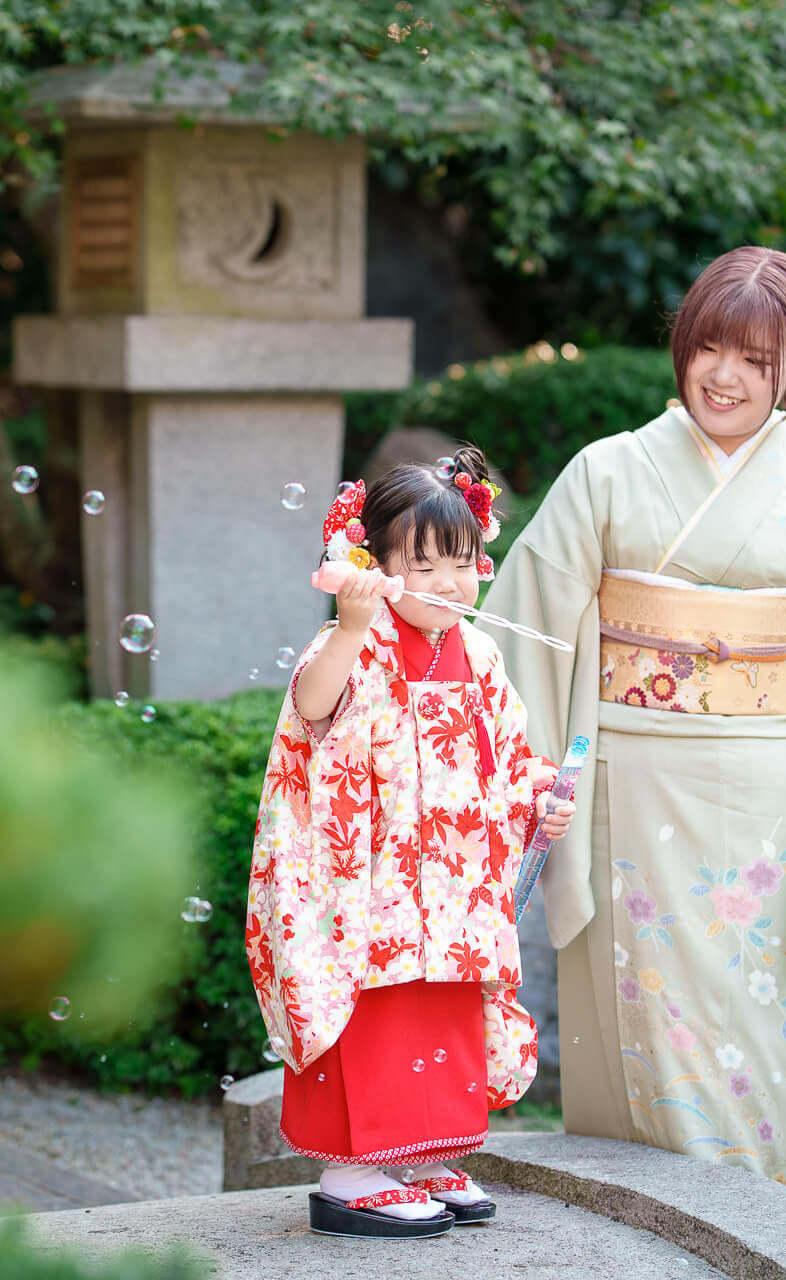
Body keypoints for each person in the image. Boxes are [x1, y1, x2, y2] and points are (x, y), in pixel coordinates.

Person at [483, 246, 786, 1196]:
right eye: (710, 347)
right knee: (635, 1058)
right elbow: (524, 627)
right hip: (627, 799)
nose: (725, 375)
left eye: (755, 358)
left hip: (775, 818)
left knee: (758, 1048)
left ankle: (759, 1236)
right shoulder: (609, 474)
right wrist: (505, 783)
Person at [246, 446, 576, 1239]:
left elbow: (503, 752)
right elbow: (314, 707)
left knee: (443, 1015)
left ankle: (424, 1153)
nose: (447, 586)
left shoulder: (482, 654)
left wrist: (537, 800)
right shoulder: (356, 643)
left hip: (453, 883)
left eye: (460, 564)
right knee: (377, 1020)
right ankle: (353, 1169)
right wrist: (351, 627)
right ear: (373, 565)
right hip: (374, 883)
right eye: (420, 567)